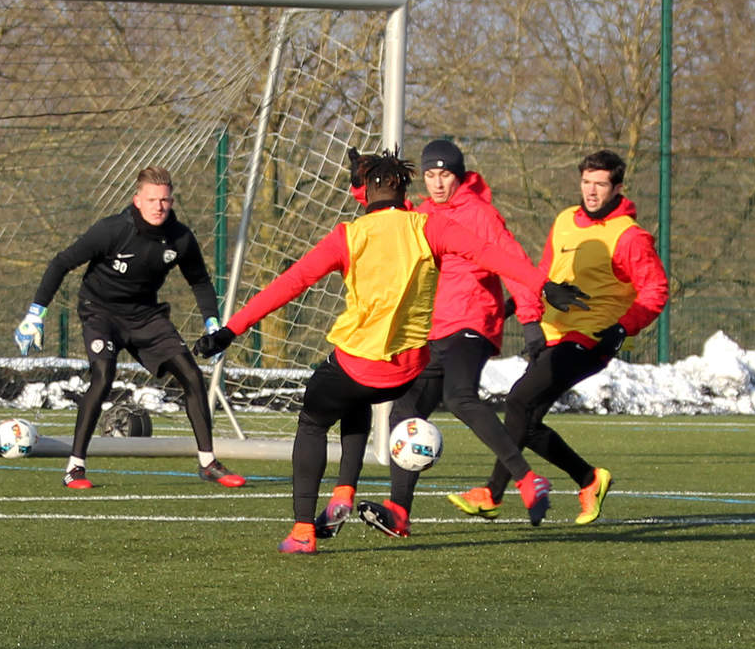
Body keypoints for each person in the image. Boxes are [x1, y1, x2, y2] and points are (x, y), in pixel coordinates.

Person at [198, 147, 588, 554]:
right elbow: (494, 255)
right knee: (358, 396)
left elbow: (289, 284)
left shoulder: (347, 237)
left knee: (314, 419)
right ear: (406, 191)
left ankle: (302, 531)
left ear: (363, 192)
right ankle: (344, 494)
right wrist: (545, 285)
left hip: (359, 365)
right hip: (407, 371)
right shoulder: (430, 227)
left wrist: (230, 330)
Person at [448, 149, 668, 525]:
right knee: (526, 422)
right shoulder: (565, 220)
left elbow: (656, 291)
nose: (592, 191)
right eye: (586, 182)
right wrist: (514, 307)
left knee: (518, 400)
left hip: (589, 339)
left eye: (601, 184)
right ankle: (588, 479)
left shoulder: (629, 237)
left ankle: (492, 493)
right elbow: (545, 272)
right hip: (552, 334)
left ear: (617, 187)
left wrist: (621, 329)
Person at [352, 139, 553, 538]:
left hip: (472, 324)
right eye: (431, 174)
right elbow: (389, 215)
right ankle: (399, 512)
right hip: (433, 329)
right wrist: (364, 182)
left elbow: (514, 264)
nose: (438, 182)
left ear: (458, 175)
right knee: (403, 414)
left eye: (445, 174)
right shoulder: (425, 213)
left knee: (460, 397)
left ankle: (527, 480)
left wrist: (531, 324)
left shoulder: (481, 216)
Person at [13, 166, 245, 490]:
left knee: (192, 375)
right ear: (138, 200)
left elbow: (200, 281)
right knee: (103, 376)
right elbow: (61, 262)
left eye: (164, 200)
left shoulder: (180, 238)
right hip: (100, 312)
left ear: (172, 200)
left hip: (145, 315)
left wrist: (212, 323)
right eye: (151, 199)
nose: (158, 206)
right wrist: (35, 313)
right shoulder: (112, 230)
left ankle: (208, 463)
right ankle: (74, 468)